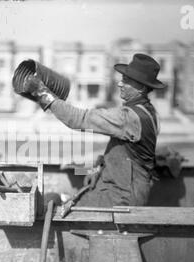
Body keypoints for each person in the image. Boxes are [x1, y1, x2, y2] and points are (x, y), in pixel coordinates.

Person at [22, 53, 166, 207]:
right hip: (124, 188)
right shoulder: (149, 112)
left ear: (141, 88)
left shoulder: (129, 118)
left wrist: (42, 92)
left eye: (126, 81)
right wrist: (96, 169)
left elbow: (79, 119)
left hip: (121, 198)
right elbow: (125, 153)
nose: (120, 84)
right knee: (60, 199)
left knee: (51, 201)